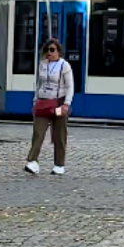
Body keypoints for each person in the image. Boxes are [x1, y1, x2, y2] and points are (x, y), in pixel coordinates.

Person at [24, 38, 74, 176]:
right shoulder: (42, 65)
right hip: (43, 103)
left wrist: (66, 104)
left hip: (58, 103)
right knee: (38, 132)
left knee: (59, 134)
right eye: (47, 50)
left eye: (52, 50)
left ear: (58, 52)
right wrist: (35, 101)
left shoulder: (64, 66)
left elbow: (70, 86)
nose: (49, 53)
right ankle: (32, 161)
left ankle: (59, 164)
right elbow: (38, 84)